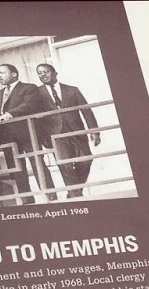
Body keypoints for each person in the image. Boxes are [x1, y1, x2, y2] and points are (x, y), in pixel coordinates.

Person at [34, 62, 101, 198]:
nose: (43, 75)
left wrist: (94, 131)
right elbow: (36, 119)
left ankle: (74, 192)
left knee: (86, 160)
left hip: (76, 131)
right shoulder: (37, 93)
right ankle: (75, 195)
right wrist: (42, 139)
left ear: (55, 73)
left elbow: (86, 110)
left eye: (46, 72)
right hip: (55, 135)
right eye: (39, 73)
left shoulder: (72, 90)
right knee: (65, 165)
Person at [0, 63, 46, 206]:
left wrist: (10, 114)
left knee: (38, 164)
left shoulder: (29, 88)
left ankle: (50, 195)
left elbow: (29, 105)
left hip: (28, 133)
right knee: (16, 169)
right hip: (7, 137)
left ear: (14, 74)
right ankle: (26, 200)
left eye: (2, 73)